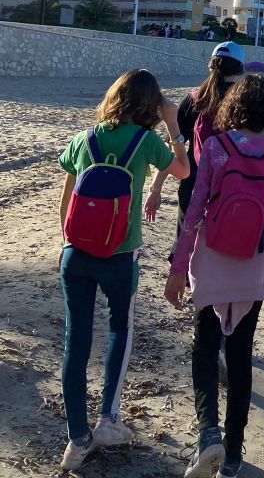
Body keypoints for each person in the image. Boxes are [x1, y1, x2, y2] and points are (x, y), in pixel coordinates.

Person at [165, 74, 264, 478]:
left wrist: (177, 268)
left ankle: (208, 433)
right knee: (240, 355)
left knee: (205, 347)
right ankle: (234, 454)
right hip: (254, 265)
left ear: (233, 107)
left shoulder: (217, 148)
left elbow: (193, 213)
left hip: (211, 261)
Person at [57, 70, 190, 471]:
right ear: (150, 104)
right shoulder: (144, 141)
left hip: (76, 254)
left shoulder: (85, 138)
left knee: (75, 340)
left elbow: (67, 198)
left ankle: (77, 439)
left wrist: (69, 242)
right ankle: (107, 420)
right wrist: (173, 124)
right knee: (120, 329)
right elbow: (183, 170)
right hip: (120, 254)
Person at [143, 41, 246, 237]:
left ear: (211, 65)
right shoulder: (245, 102)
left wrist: (155, 188)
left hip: (193, 183)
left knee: (185, 241)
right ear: (240, 69)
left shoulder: (194, 99)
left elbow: (172, 145)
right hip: (233, 185)